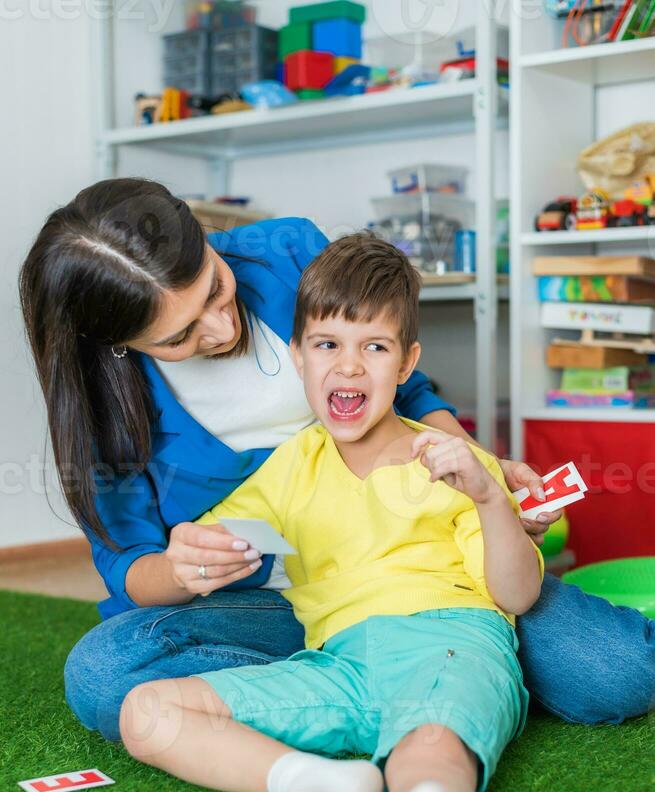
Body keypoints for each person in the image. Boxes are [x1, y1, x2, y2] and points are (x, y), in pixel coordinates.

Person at [19, 178, 655, 742]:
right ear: (116, 343)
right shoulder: (104, 399)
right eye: (178, 337)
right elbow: (127, 563)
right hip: (278, 608)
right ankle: (410, 682)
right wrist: (179, 572)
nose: (219, 330)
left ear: (205, 236)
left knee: (618, 672)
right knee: (106, 673)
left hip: (429, 577)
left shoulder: (291, 252)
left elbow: (406, 385)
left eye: (215, 288)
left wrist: (481, 474)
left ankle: (362, 686)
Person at [118, 233, 544, 792]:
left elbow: (519, 595)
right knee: (146, 713)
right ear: (297, 358)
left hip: (447, 645)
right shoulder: (290, 468)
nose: (347, 365)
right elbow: (217, 543)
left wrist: (491, 499)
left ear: (407, 362)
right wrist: (190, 553)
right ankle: (316, 781)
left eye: (373, 348)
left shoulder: (452, 463)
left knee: (429, 753)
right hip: (338, 666)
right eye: (326, 345)